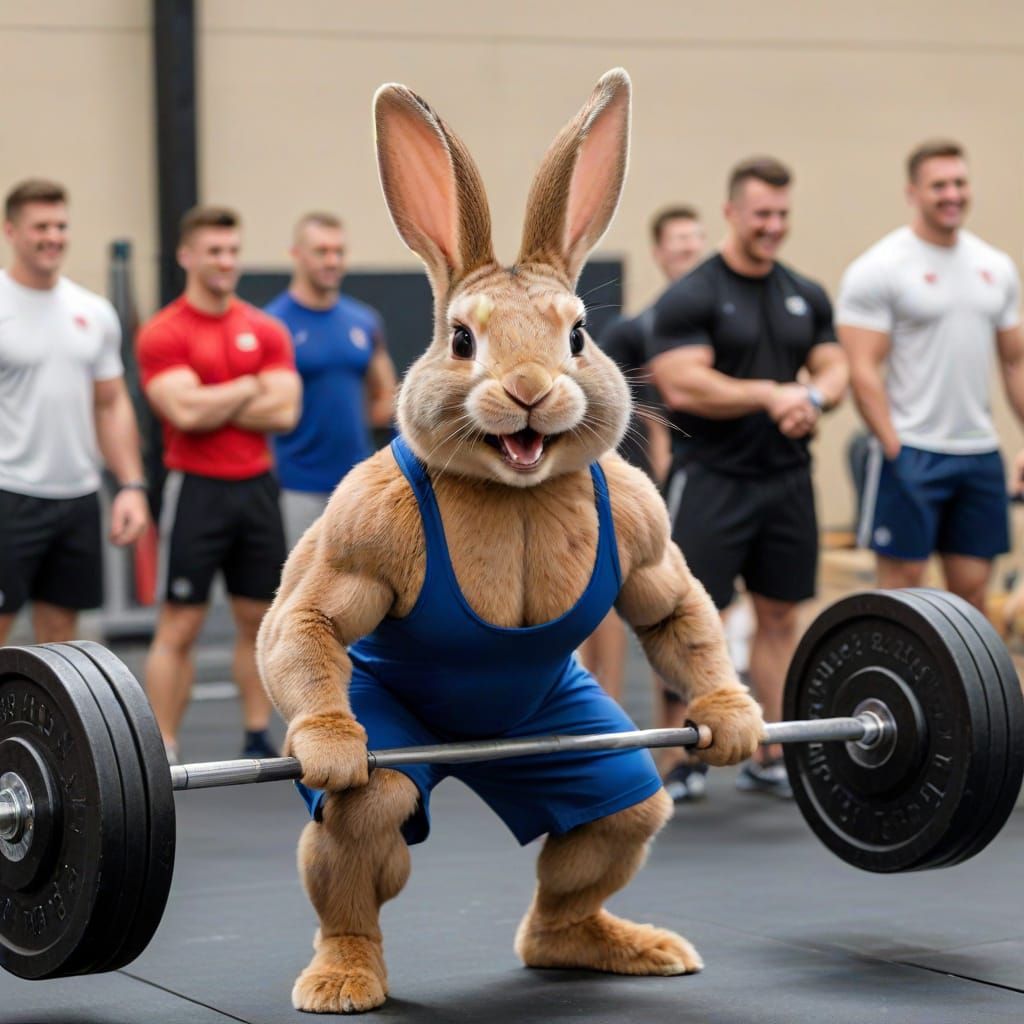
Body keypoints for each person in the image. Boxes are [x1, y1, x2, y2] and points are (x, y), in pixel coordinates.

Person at [647, 157, 848, 798]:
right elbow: (682, 382)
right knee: (690, 618)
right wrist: (770, 393)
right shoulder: (694, 295)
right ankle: (682, 758)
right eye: (762, 214)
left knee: (780, 615)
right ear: (731, 213)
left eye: (783, 214)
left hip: (786, 479)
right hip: (713, 478)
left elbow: (835, 365)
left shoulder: (805, 292)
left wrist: (812, 398)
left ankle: (772, 751)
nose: (773, 226)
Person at [137, 205, 301, 763]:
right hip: (196, 490)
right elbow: (183, 413)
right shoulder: (164, 332)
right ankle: (163, 743)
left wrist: (214, 397)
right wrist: (250, 386)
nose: (226, 261)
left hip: (256, 487)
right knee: (180, 623)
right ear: (187, 256)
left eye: (232, 251)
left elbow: (285, 412)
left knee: (259, 620)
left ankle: (257, 732)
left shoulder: (266, 329)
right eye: (214, 251)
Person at [837, 140, 1024, 612]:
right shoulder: (880, 267)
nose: (952, 194)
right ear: (912, 192)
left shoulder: (995, 267)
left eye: (960, 183)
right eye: (939, 185)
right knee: (903, 597)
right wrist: (893, 446)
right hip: (912, 447)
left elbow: (1015, 361)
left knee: (973, 595)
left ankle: (968, 669)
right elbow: (861, 367)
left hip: (978, 453)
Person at [579, 205, 709, 801]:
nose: (687, 253)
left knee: (676, 609)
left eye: (695, 244)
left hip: (694, 487)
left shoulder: (710, 324)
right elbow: (618, 408)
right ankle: (602, 728)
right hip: (630, 487)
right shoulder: (635, 330)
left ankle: (689, 748)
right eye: (677, 244)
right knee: (606, 600)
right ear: (659, 253)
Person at [0, 178, 150, 644]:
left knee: (61, 639)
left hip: (78, 497)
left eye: (60, 226)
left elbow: (110, 403)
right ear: (10, 231)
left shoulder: (94, 312)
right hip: (8, 491)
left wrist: (130, 486)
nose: (53, 237)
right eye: (40, 226)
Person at [265, 213, 397, 547]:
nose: (332, 261)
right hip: (295, 486)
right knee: (298, 577)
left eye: (339, 252)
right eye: (321, 251)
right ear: (296, 254)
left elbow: (386, 395)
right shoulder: (272, 324)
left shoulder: (364, 321)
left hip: (355, 483)